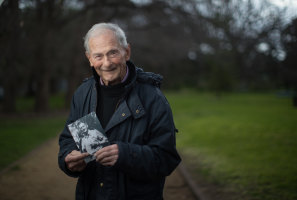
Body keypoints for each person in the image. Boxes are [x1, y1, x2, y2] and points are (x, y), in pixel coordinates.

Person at [58, 22, 181, 200]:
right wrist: (68, 159)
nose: (106, 63)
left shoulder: (153, 98)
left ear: (127, 52)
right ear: (90, 59)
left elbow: (167, 158)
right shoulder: (82, 94)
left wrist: (125, 155)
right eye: (98, 56)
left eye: (113, 53)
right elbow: (68, 140)